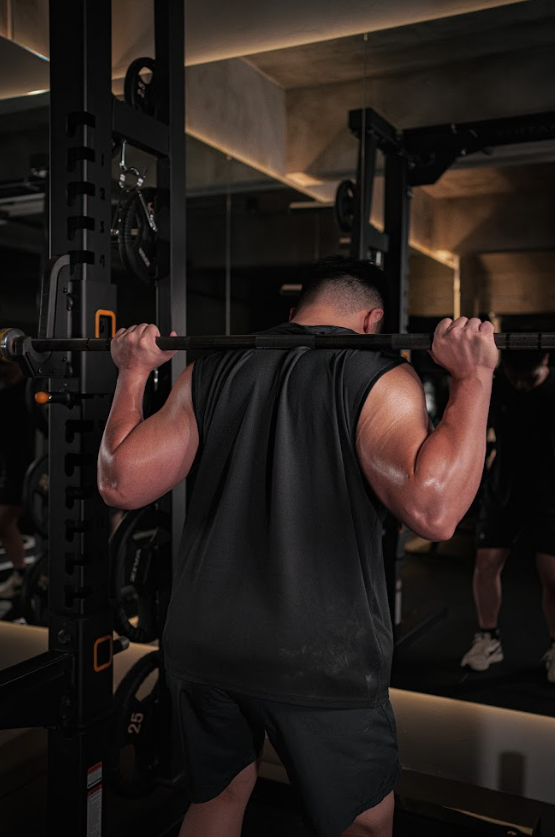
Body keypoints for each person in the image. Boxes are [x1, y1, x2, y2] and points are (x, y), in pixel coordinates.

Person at [98, 257, 498, 837]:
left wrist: (133, 372)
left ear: (293, 315)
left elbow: (120, 484)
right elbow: (434, 513)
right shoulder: (380, 376)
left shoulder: (210, 371)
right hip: (319, 658)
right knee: (363, 824)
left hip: (203, 643)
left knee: (216, 799)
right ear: (373, 321)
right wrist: (473, 378)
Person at [461, 349, 555, 683]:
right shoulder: (498, 385)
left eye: (526, 377)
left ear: (544, 361)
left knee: (552, 577)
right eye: (514, 376)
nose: (520, 383)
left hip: (549, 496)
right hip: (504, 489)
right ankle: (489, 639)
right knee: (485, 566)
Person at [0, 362, 34, 599]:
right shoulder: (4, 393)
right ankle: (22, 575)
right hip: (12, 467)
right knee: (3, 522)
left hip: (35, 463)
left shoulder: (31, 389)